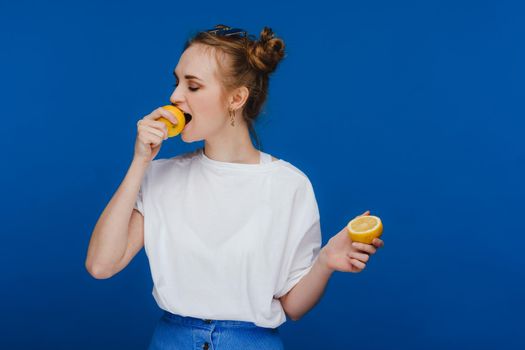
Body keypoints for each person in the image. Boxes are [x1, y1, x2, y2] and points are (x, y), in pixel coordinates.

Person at [85, 24, 385, 350]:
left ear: (237, 97)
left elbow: (291, 306)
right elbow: (100, 265)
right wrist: (140, 160)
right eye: (176, 82)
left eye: (193, 86)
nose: (174, 97)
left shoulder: (289, 186)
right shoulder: (159, 175)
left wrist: (326, 260)